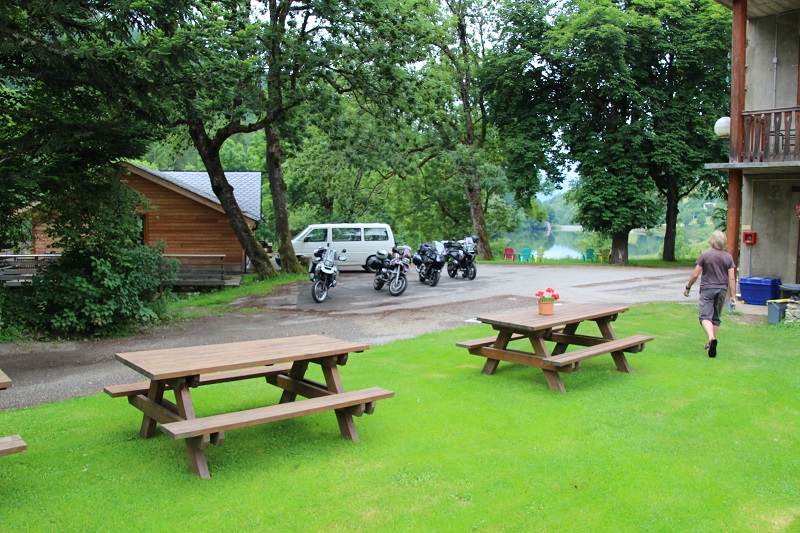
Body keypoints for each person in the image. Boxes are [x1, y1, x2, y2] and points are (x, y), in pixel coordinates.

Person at [683, 230, 736, 358]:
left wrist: (688, 287)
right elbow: (732, 278)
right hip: (722, 290)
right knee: (716, 318)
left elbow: (695, 274)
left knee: (704, 317)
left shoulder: (705, 255)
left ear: (713, 242)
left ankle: (711, 338)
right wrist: (733, 296)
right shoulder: (728, 257)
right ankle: (709, 344)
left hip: (707, 289)